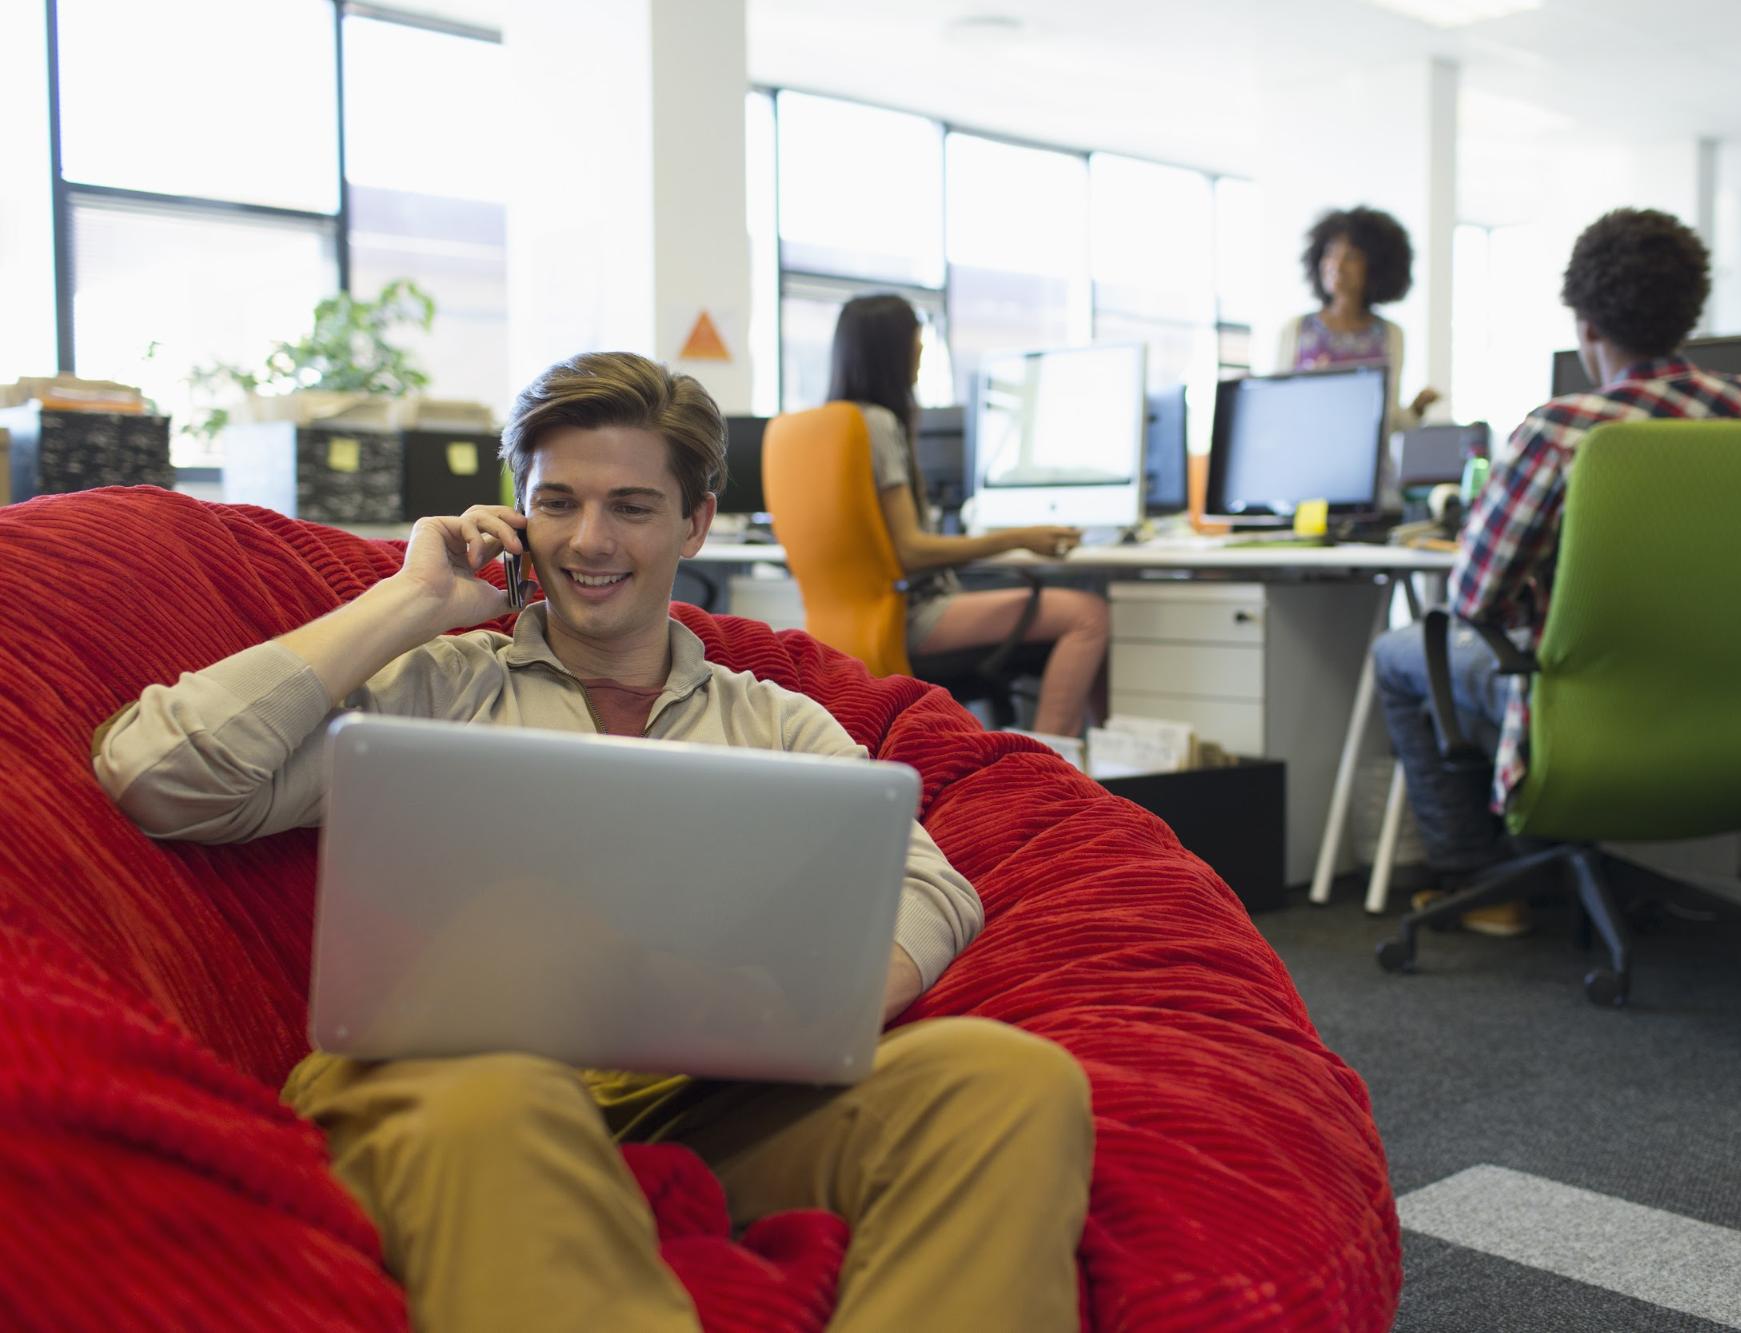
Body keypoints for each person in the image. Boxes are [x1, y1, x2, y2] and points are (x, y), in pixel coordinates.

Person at [91, 351, 1094, 1333]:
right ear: (517, 509)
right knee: (500, 1063)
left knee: (1008, 1080)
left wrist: (792, 1007)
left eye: (631, 506)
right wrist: (407, 603)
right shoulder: (438, 687)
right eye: (558, 501)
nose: (587, 539)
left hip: (697, 1097)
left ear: (695, 522)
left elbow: (933, 887)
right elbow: (163, 776)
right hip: (448, 1073)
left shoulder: (774, 721)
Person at [1371, 207, 1741, 937]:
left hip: (1593, 715)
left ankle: (1482, 882)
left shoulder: (1563, 431)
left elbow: (1473, 597)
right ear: (1688, 313)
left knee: (1402, 651)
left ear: (1584, 327)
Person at [829, 293, 1110, 736]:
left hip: (860, 616)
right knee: (1089, 613)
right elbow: (911, 550)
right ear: (894, 347)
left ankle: (1101, 764)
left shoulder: (828, 425)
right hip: (913, 615)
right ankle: (1051, 770)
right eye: (916, 336)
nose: (922, 348)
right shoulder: (878, 425)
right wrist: (1019, 537)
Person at [1277, 204, 1441, 436]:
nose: (1337, 265)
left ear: (1374, 267)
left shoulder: (1390, 335)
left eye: (1351, 256)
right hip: (1307, 455)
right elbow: (1278, 409)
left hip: (1370, 466)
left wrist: (1416, 409)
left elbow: (1389, 421)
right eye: (1331, 253)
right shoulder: (1296, 330)